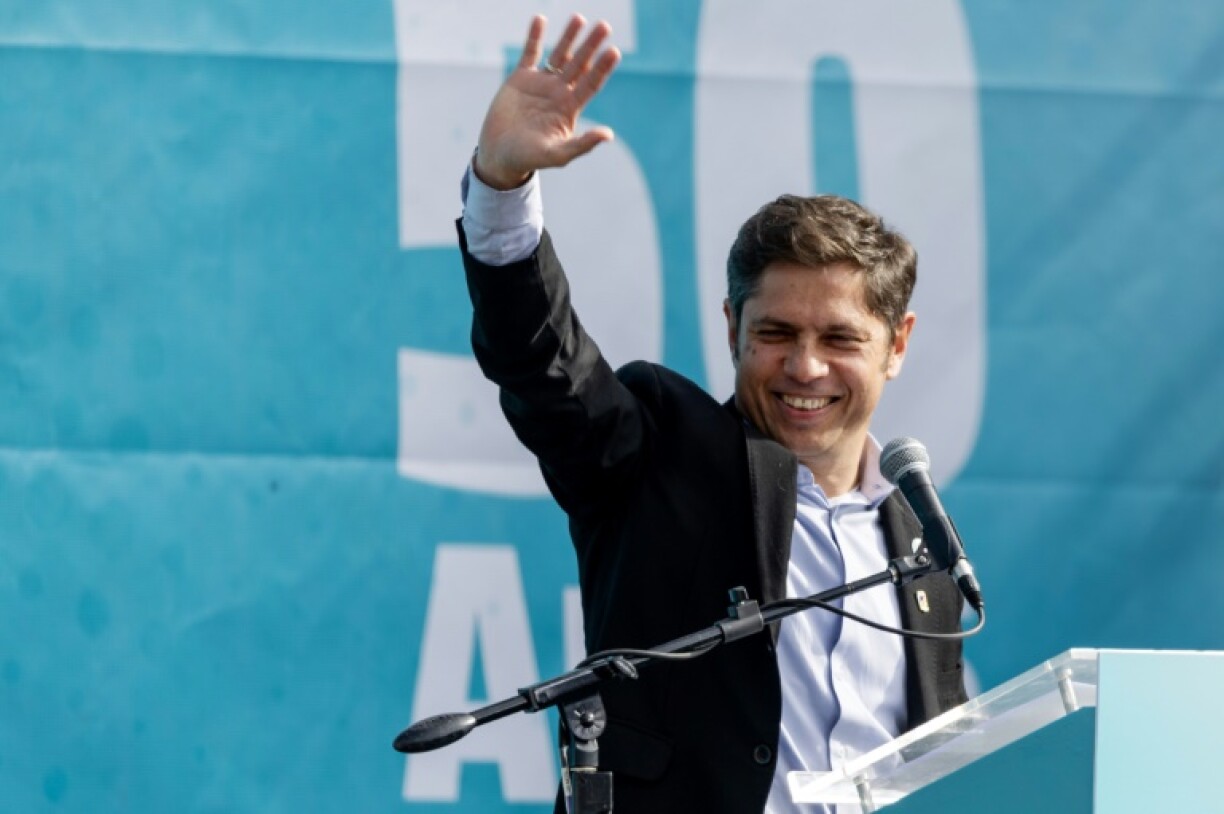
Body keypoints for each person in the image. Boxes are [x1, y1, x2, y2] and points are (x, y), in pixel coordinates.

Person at [457, 14, 967, 814]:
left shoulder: (924, 549)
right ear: (730, 328)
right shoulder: (661, 453)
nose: (805, 367)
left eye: (839, 338)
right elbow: (545, 368)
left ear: (896, 345)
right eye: (775, 334)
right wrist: (501, 191)